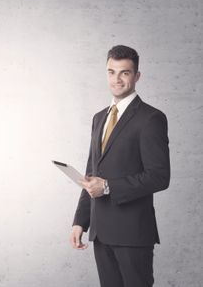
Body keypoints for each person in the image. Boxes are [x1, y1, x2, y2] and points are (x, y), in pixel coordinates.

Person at [69, 45, 170, 287]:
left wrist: (108, 187)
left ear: (137, 76)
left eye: (124, 73)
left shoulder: (151, 118)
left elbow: (159, 177)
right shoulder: (99, 117)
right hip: (101, 232)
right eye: (111, 72)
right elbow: (92, 174)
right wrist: (80, 221)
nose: (117, 79)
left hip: (133, 234)